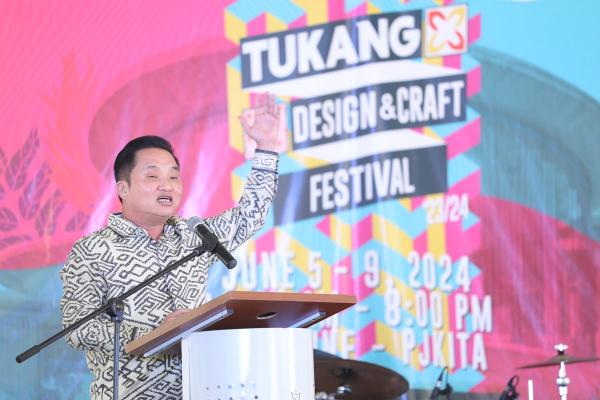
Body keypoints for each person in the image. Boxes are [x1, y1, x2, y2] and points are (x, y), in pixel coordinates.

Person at [60, 93, 282, 399]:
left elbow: (249, 216)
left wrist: (266, 148)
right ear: (123, 188)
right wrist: (154, 334)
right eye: (152, 176)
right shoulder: (91, 251)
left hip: (202, 390)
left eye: (174, 177)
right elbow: (76, 329)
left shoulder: (197, 237)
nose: (167, 185)